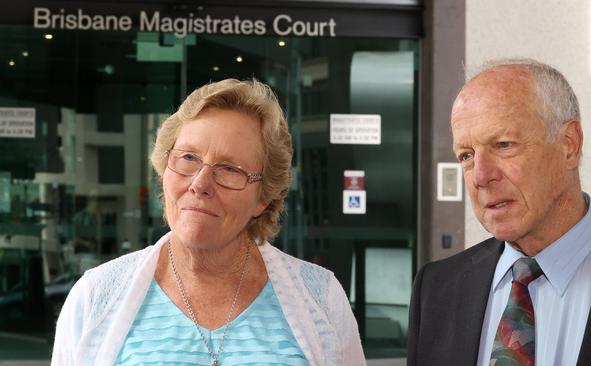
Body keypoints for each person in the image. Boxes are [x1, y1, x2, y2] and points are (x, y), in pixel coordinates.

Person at [52, 79, 366, 366]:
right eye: (188, 158)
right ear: (164, 167)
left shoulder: (321, 300)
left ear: (263, 198)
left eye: (230, 169)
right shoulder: (95, 298)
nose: (200, 183)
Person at [407, 59, 591, 365]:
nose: (481, 176)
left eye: (503, 145)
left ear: (569, 145)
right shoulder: (436, 289)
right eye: (466, 155)